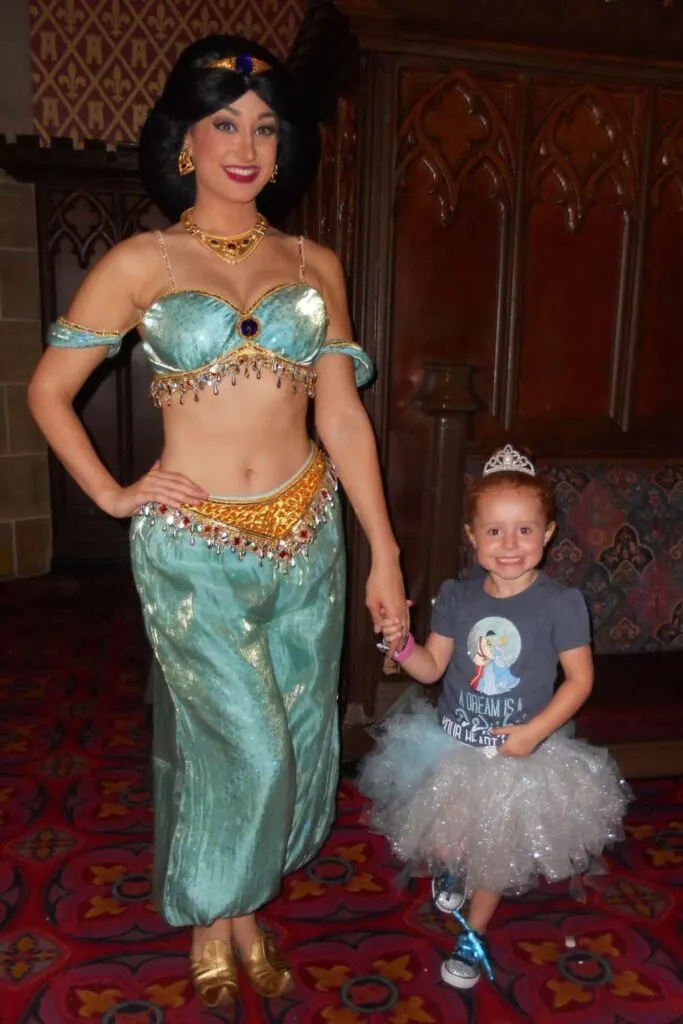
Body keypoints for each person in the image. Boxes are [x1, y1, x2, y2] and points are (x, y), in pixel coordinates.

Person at [27, 31, 408, 1009]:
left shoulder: (312, 261)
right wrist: (113, 494)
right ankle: (211, 912)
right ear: (184, 140)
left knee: (298, 731)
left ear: (283, 149)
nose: (247, 144)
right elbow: (48, 391)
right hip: (194, 547)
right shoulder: (138, 261)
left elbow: (340, 412)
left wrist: (384, 552)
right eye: (224, 122)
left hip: (308, 531)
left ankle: (243, 910)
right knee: (239, 743)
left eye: (266, 128)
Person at [358, 444, 629, 990]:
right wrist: (401, 643)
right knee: (446, 839)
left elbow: (579, 681)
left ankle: (473, 931)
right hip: (454, 746)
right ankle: (454, 870)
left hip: (521, 751)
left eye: (525, 530)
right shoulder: (456, 597)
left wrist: (532, 732)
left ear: (548, 533)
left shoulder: (560, 603)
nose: (510, 545)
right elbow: (432, 669)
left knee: (495, 852)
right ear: (471, 536)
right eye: (495, 532)